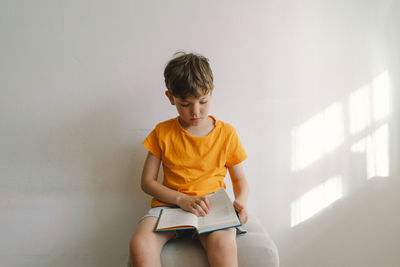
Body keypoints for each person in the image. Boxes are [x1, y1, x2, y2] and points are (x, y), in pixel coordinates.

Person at [129, 52, 249, 267]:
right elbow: (147, 182)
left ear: (212, 92)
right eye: (185, 104)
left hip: (212, 208)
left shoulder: (227, 133)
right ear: (170, 97)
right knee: (140, 243)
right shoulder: (162, 132)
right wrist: (180, 200)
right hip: (170, 206)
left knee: (223, 244)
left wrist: (240, 202)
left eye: (203, 102)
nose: (195, 112)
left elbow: (240, 180)